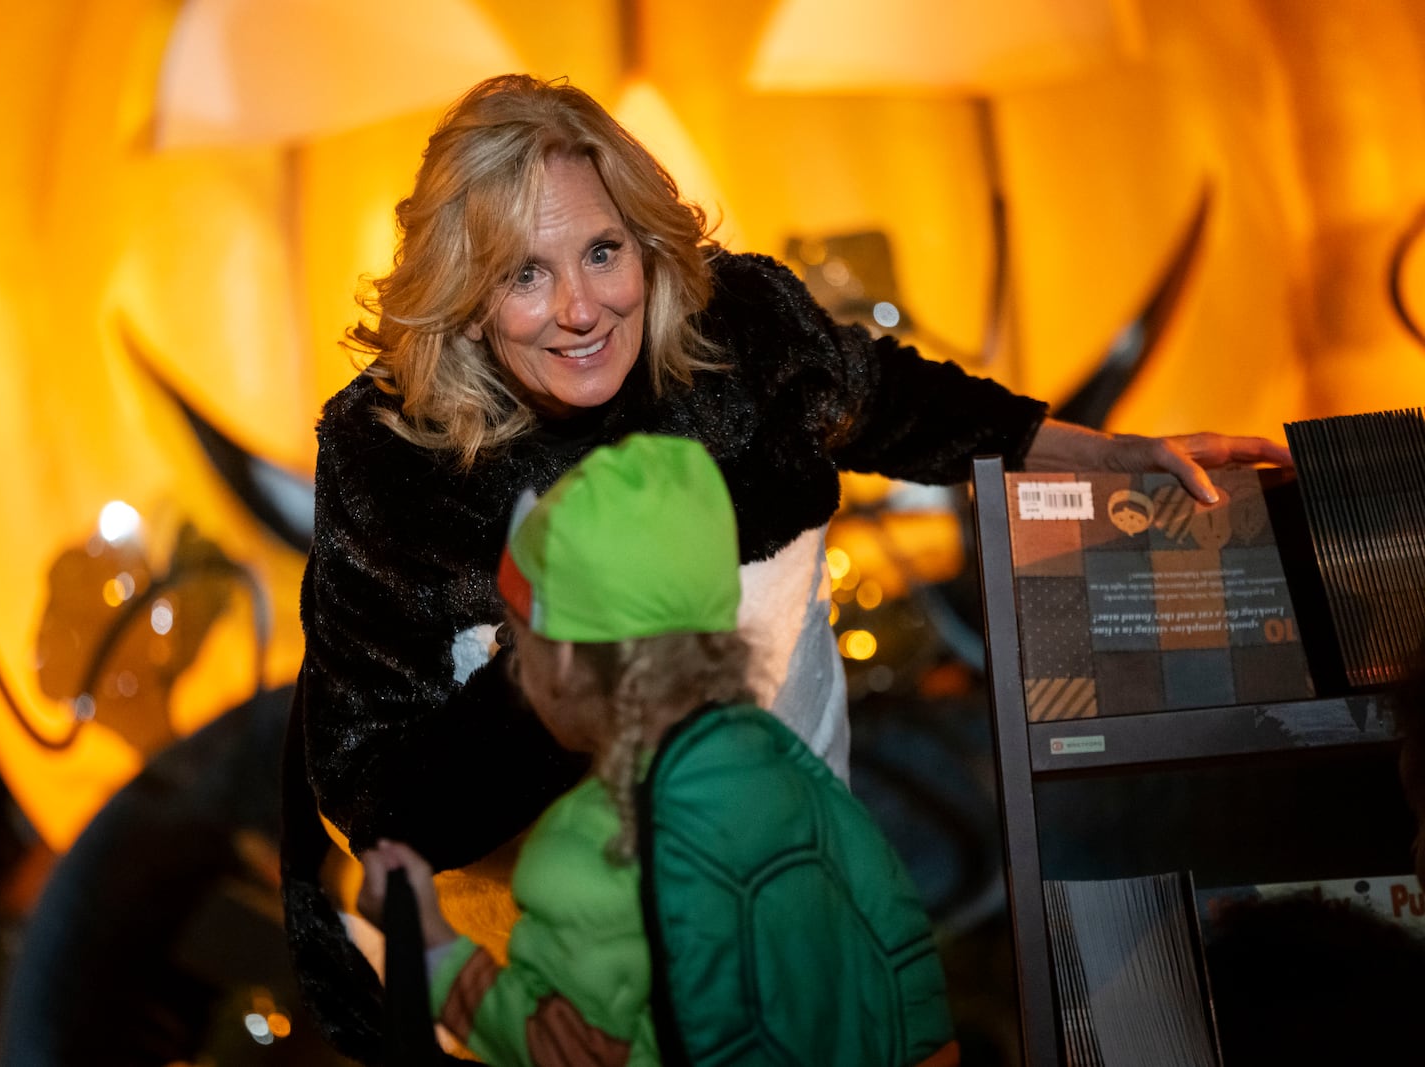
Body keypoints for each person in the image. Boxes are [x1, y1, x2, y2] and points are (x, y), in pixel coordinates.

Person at [280, 72, 1294, 1060]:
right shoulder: (392, 457)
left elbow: (882, 397)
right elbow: (373, 795)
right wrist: (569, 688)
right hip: (560, 979)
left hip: (789, 895)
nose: (582, 308)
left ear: (644, 244)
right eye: (524, 273)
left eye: (601, 251)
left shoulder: (739, 329)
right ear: (464, 296)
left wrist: (1097, 453)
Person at [357, 433, 959, 1066]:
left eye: (516, 635)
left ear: (562, 656)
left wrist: (427, 944)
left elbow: (566, 1051)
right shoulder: (789, 767)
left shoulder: (591, 845)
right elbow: (905, 984)